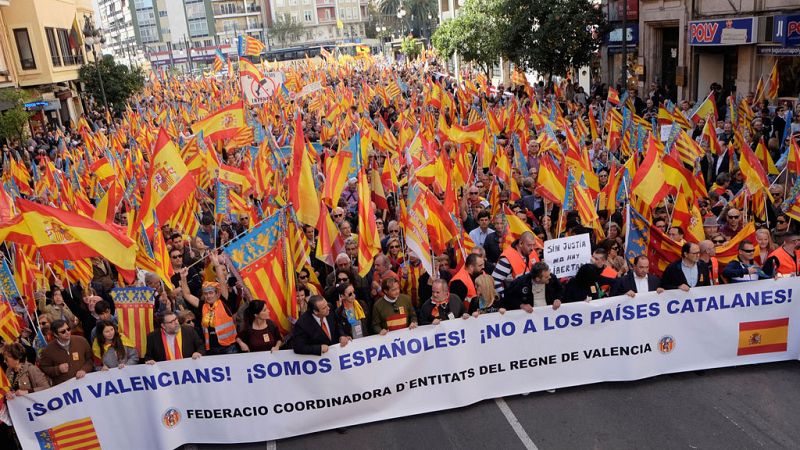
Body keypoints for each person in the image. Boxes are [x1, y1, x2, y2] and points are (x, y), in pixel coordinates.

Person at [39, 319, 94, 385]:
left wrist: (84, 370)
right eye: (63, 331)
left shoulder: (81, 341)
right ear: (55, 334)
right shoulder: (47, 350)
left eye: (68, 329)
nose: (67, 332)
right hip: (65, 388)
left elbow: (90, 360)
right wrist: (58, 369)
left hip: (84, 382)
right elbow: (44, 368)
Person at [491, 231, 537, 298]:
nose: (532, 248)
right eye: (529, 245)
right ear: (521, 243)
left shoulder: (531, 252)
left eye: (534, 245)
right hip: (516, 302)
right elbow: (494, 281)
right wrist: (505, 297)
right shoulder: (507, 258)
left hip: (531, 297)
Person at [199, 281, 238, 355]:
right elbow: (187, 295)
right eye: (206, 294)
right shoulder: (203, 307)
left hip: (228, 347)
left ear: (217, 294)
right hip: (212, 348)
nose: (208, 296)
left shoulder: (224, 303)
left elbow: (222, 282)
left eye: (211, 293)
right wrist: (183, 277)